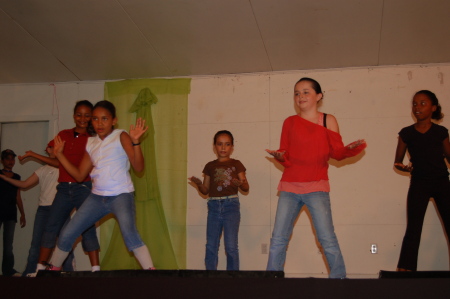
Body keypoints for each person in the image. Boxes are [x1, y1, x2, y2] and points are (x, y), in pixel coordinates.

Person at [265, 77, 366, 279]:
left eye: (305, 92)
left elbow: (336, 153)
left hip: (317, 187)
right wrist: (280, 156)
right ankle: (272, 281)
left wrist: (348, 150)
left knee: (327, 238)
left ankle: (339, 280)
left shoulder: (328, 120)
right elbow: (286, 154)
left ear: (318, 96)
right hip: (289, 188)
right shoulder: (289, 122)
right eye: (296, 93)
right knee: (278, 239)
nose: (300, 96)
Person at [48, 100, 155, 270]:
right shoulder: (91, 143)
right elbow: (79, 175)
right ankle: (52, 270)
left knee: (130, 235)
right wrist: (59, 155)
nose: (99, 123)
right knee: (67, 234)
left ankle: (152, 273)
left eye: (104, 119)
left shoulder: (121, 135)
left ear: (114, 120)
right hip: (97, 197)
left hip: (121, 195)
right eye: (95, 119)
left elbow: (139, 167)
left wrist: (135, 142)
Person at [19, 100, 100, 273]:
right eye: (79, 114)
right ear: (74, 116)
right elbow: (57, 162)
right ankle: (40, 268)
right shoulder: (63, 134)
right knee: (51, 226)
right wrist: (34, 154)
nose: (83, 118)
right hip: (63, 188)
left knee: (87, 226)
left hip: (83, 187)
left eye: (87, 115)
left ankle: (96, 269)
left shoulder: (93, 138)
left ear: (91, 117)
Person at [394, 90, 450, 271]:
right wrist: (402, 167)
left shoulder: (441, 132)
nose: (417, 107)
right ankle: (405, 270)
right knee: (413, 229)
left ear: (433, 108)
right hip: (419, 184)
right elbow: (397, 161)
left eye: (423, 103)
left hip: (442, 183)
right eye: (415, 104)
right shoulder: (406, 133)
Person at [0, 141, 75, 276]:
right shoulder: (42, 170)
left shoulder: (63, 166)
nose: (54, 148)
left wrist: (32, 155)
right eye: (52, 147)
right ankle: (30, 273)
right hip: (43, 210)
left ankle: (69, 273)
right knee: (36, 244)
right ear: (49, 150)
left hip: (60, 209)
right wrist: (4, 178)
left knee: (64, 241)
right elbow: (24, 184)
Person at [189, 130, 249, 270]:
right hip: (214, 206)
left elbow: (246, 187)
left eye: (227, 144)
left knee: (231, 246)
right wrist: (198, 184)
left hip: (231, 206)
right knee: (211, 245)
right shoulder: (210, 166)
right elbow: (206, 190)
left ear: (232, 147)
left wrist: (241, 184)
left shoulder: (236, 164)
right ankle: (211, 278)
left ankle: (232, 280)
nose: (223, 148)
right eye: (219, 144)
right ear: (214, 146)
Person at [0, 149, 26, 276]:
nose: (10, 161)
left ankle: (7, 270)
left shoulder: (17, 177)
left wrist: (23, 214)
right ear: (2, 160)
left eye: (12, 159)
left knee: (8, 244)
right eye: (8, 159)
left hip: (10, 213)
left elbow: (18, 197)